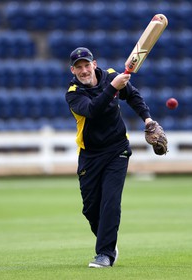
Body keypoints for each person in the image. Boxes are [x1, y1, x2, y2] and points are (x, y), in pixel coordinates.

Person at [65, 47, 167, 268]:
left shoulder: (110, 75)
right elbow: (93, 110)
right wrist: (113, 87)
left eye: (86, 65)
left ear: (94, 64)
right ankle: (108, 242)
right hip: (90, 155)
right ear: (73, 70)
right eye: (78, 67)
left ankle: (105, 253)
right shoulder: (73, 94)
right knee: (90, 208)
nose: (84, 70)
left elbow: (132, 95)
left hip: (116, 149)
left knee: (110, 201)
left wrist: (148, 120)